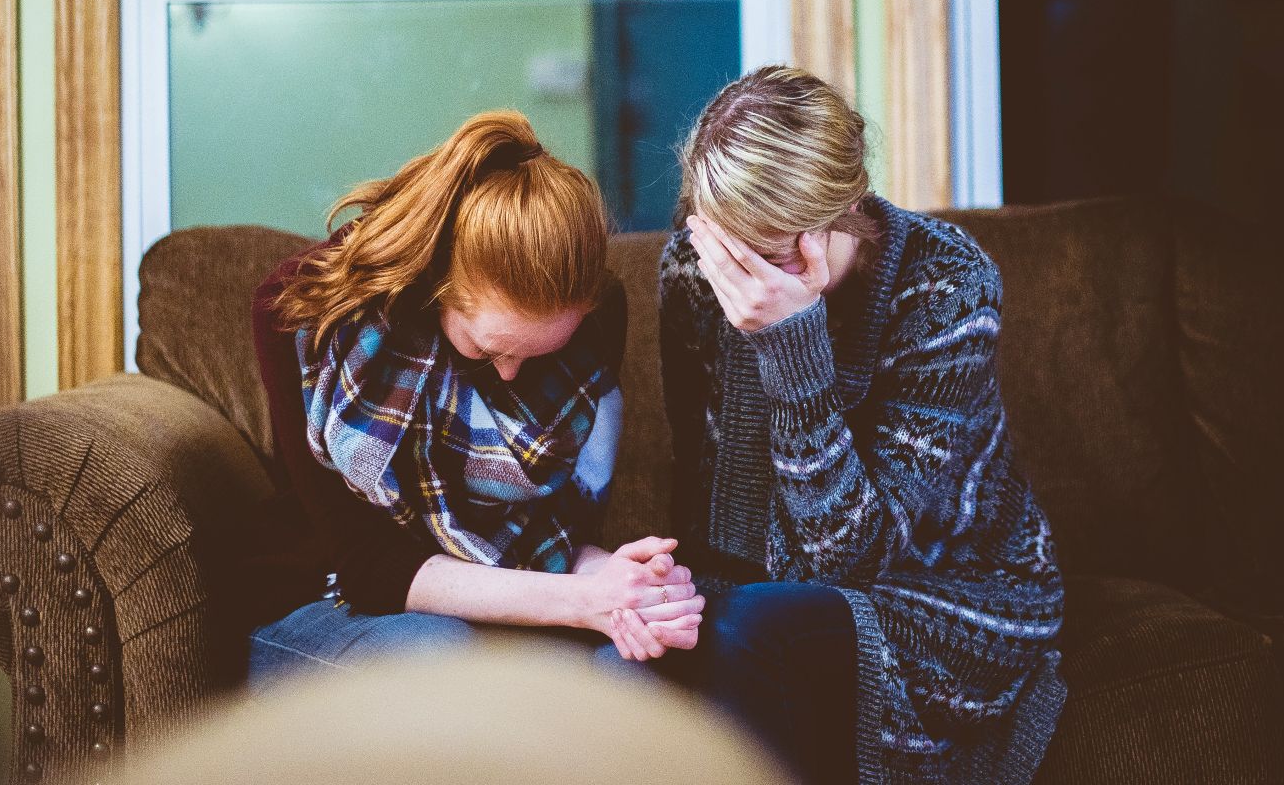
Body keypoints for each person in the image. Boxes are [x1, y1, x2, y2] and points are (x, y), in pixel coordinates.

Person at [658, 67, 1068, 784]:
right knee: (658, 646)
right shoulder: (697, 272)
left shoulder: (946, 285)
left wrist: (794, 348)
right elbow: (709, 490)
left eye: (767, 249)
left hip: (949, 590)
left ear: (838, 213)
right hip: (767, 590)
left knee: (750, 631)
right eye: (724, 243)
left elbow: (851, 563)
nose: (736, 274)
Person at [247, 110, 703, 685]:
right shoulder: (304, 314)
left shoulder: (596, 317)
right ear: (437, 288)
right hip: (326, 597)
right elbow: (369, 569)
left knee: (636, 669)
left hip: (503, 594)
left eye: (536, 356)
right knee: (443, 657)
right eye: (489, 351)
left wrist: (625, 582)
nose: (512, 376)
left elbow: (555, 535)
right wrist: (582, 602)